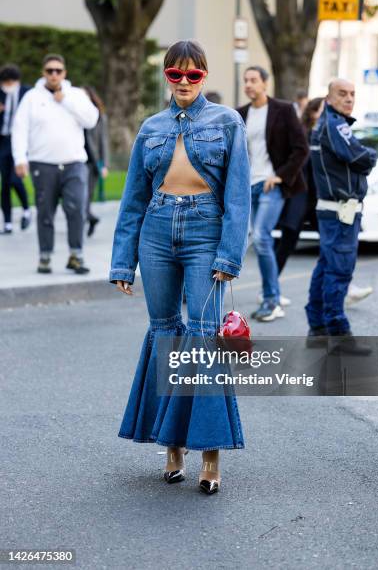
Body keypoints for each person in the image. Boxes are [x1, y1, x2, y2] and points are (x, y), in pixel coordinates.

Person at [110, 39, 250, 495]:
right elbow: (132, 200)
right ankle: (172, 448)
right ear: (166, 77)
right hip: (155, 231)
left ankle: (209, 454)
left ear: (205, 76)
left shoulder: (228, 122)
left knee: (205, 336)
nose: (185, 82)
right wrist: (122, 262)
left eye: (193, 75)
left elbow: (238, 197)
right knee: (166, 334)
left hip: (204, 231)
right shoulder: (151, 128)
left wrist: (229, 255)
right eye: (176, 75)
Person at [305, 78, 377, 351]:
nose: (349, 99)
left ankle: (318, 327)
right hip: (339, 212)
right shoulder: (335, 125)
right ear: (329, 98)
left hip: (333, 210)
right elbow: (362, 157)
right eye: (342, 94)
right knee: (339, 270)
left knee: (326, 267)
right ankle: (338, 333)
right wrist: (371, 155)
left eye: (352, 94)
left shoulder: (329, 123)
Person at [12, 54, 99, 274]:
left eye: (58, 71)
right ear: (43, 73)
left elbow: (92, 119)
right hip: (43, 164)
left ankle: (76, 255)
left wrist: (66, 101)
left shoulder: (76, 95)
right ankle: (45, 256)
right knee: (45, 212)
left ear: (64, 73)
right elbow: (19, 129)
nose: (53, 74)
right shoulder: (31, 97)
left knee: (77, 209)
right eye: (49, 70)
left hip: (74, 164)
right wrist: (20, 158)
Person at [237, 66, 308, 322]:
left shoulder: (283, 110)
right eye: (245, 80)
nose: (248, 85)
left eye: (253, 80)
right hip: (248, 186)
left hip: (271, 186)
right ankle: (270, 295)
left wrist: (280, 175)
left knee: (261, 236)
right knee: (254, 238)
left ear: (265, 83)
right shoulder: (240, 114)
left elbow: (301, 148)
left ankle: (272, 299)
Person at [275, 97, 324, 276]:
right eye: (322, 110)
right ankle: (268, 291)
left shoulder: (326, 135)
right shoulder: (303, 134)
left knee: (330, 245)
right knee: (287, 244)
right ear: (312, 113)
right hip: (300, 198)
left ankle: (345, 288)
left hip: (318, 199)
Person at [0, 64, 31, 234]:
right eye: (5, 83)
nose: (8, 86)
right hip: (3, 141)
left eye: (11, 82)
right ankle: (8, 222)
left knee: (15, 179)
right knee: (4, 183)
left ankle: (26, 210)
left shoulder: (27, 93)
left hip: (21, 141)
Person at [83, 86, 110, 237]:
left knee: (85, 198)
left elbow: (103, 141)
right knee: (77, 198)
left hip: (91, 163)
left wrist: (104, 164)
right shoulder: (75, 115)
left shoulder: (99, 116)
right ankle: (90, 219)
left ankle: (88, 220)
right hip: (76, 161)